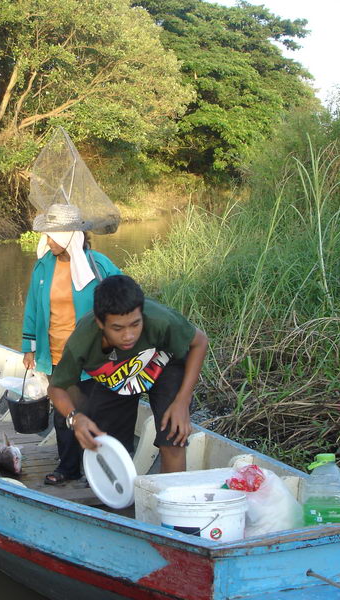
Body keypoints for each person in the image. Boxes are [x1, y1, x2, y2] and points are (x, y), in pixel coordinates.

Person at [48, 274, 208, 473]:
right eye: (117, 328)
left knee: (173, 437)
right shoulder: (82, 342)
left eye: (135, 324)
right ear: (100, 323)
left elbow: (200, 342)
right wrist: (75, 418)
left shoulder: (160, 319)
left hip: (163, 367)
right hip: (116, 377)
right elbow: (56, 388)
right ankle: (117, 500)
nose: (128, 336)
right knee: (107, 442)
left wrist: (182, 401)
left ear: (142, 314)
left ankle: (169, 499)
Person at [21, 203, 121, 485]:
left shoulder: (98, 265)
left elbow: (126, 297)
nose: (48, 241)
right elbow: (33, 308)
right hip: (53, 353)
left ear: (67, 236)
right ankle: (67, 467)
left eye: (53, 236)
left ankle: (97, 470)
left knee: (93, 411)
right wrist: (28, 347)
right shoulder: (43, 267)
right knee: (64, 412)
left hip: (91, 355)